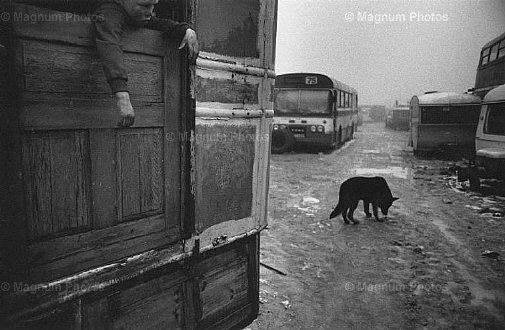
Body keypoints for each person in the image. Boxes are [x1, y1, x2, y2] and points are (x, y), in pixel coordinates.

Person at [93, 0, 199, 127]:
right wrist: (122, 96)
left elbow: (157, 23)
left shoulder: (134, 15)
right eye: (145, 6)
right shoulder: (109, 12)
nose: (150, 12)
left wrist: (185, 30)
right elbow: (109, 44)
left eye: (153, 5)